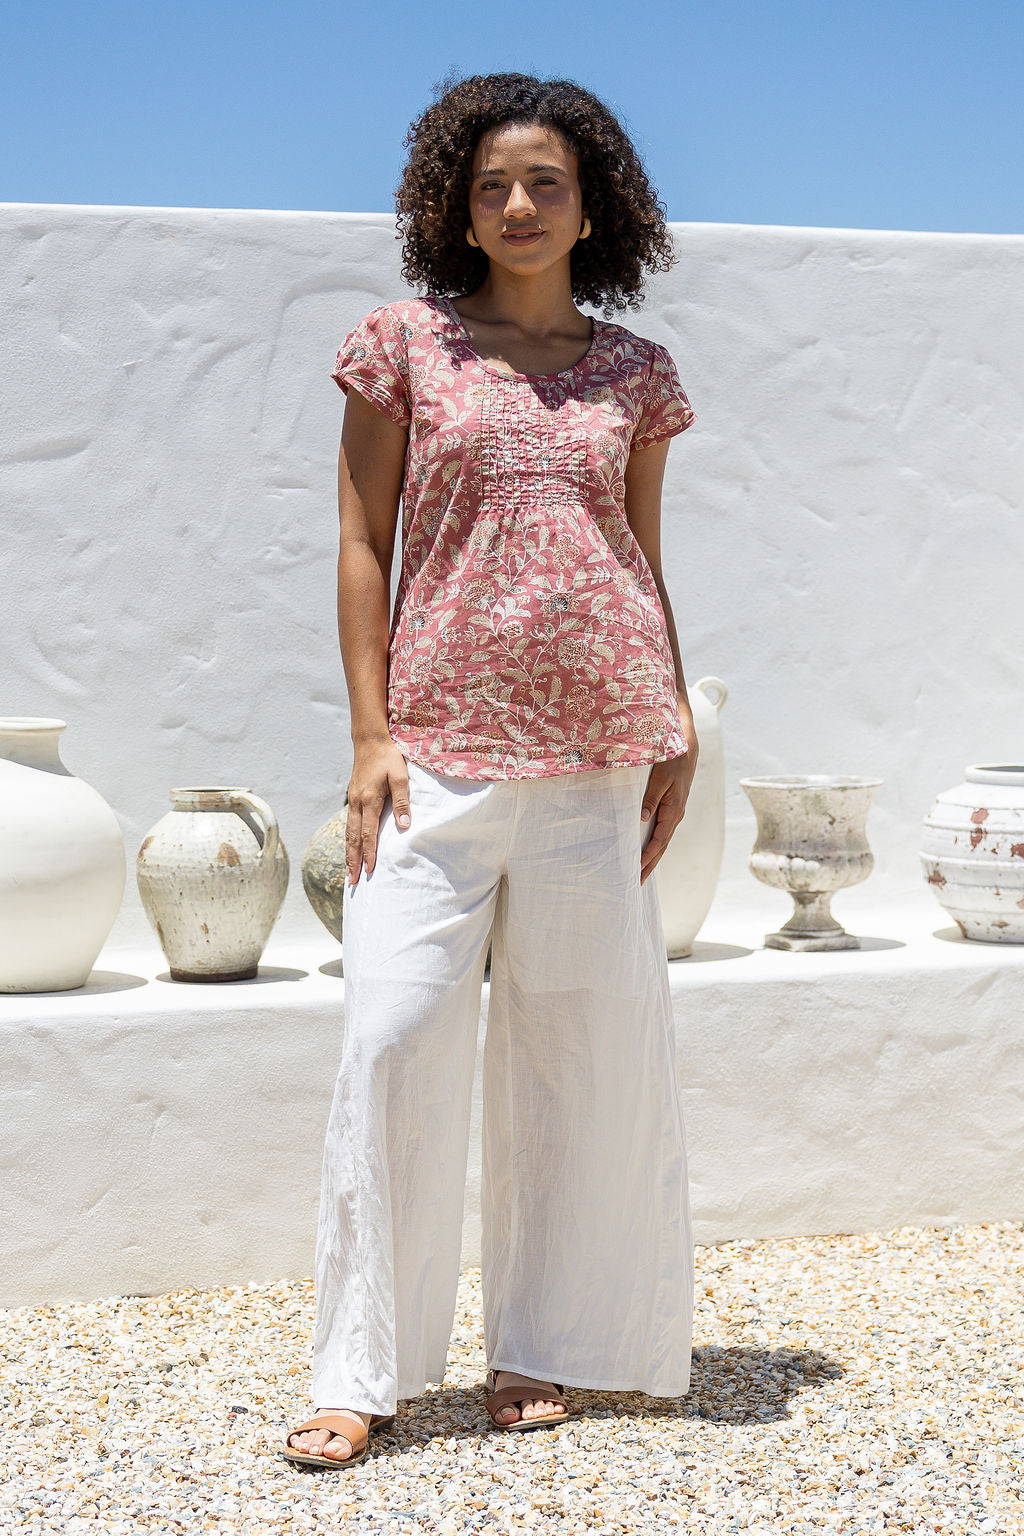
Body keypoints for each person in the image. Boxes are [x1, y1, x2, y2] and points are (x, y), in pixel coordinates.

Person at [285, 71, 699, 1470]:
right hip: (435, 759)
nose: (519, 206)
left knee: (577, 1059)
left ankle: (548, 1344)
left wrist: (676, 721)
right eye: (491, 186)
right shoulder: (404, 344)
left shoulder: (634, 372)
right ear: (453, 205)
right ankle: (363, 1367)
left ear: (595, 208)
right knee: (393, 1041)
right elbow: (362, 540)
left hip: (597, 755)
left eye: (547, 184)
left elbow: (639, 550)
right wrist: (367, 734)